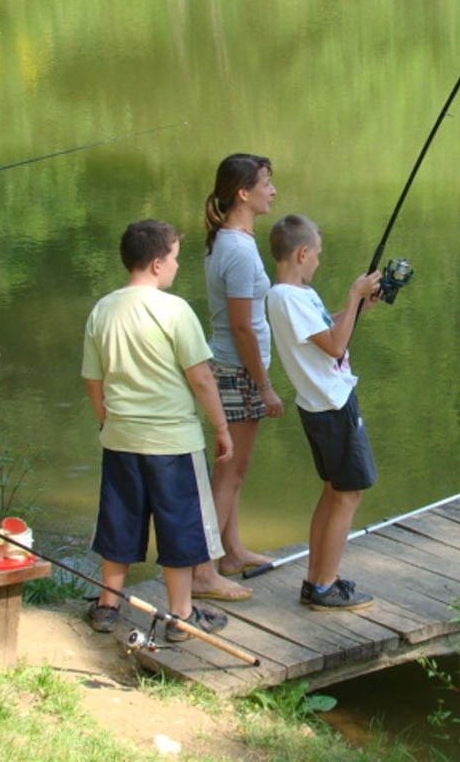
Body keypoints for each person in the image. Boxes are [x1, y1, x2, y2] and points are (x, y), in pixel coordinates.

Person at [81, 219, 235, 640]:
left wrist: (105, 421)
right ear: (154, 263)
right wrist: (221, 427)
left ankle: (107, 604)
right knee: (180, 526)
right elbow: (201, 377)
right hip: (173, 444)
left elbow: (94, 382)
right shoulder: (174, 310)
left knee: (119, 522)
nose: (176, 266)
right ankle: (181, 614)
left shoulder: (102, 310)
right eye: (174, 259)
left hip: (121, 440)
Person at [265, 214, 382, 611]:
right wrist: (353, 294)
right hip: (332, 407)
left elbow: (327, 331)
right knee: (349, 495)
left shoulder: (296, 295)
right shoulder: (285, 297)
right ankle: (324, 586)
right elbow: (334, 347)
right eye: (316, 254)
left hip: (324, 405)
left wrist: (359, 308)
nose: (318, 261)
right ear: (301, 253)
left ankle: (316, 580)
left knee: (334, 492)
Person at [193, 153, 282, 599]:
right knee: (228, 473)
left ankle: (231, 551)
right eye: (266, 183)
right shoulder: (239, 251)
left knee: (235, 468)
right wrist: (264, 385)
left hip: (230, 369)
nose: (273, 191)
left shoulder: (228, 243)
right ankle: (203, 571)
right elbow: (242, 326)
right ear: (243, 193)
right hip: (236, 372)